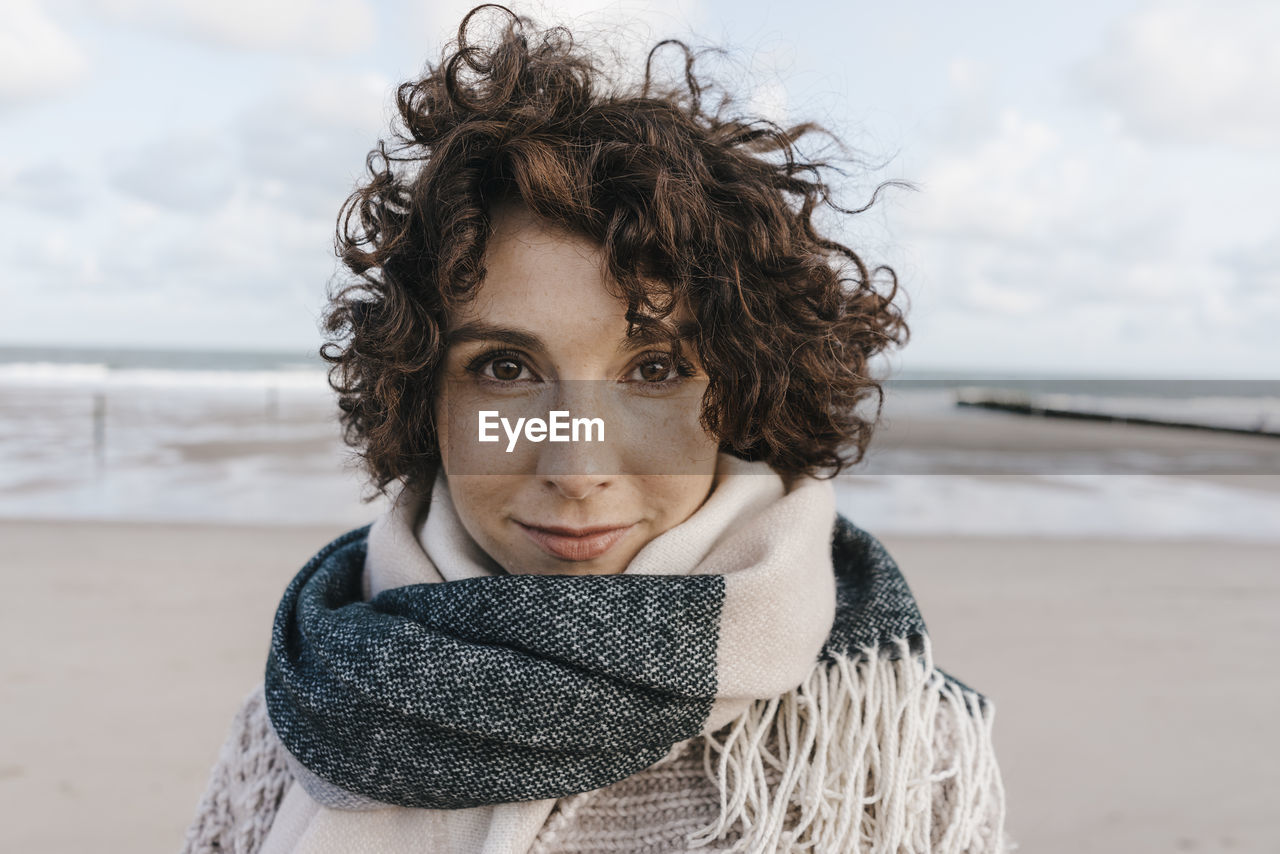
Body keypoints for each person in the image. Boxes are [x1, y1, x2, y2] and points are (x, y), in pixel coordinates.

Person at [181, 5, 1010, 852]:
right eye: (506, 368)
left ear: (748, 385)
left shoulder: (892, 751)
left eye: (653, 371)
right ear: (421, 392)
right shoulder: (294, 719)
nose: (577, 467)